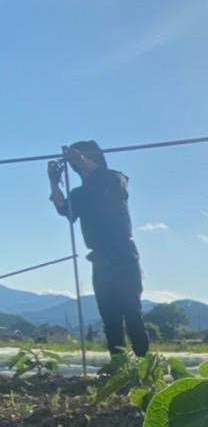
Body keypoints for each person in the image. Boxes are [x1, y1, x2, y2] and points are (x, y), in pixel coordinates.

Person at [48, 140, 149, 357]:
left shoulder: (115, 179)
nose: (80, 166)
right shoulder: (80, 194)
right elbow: (64, 209)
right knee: (110, 317)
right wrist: (53, 182)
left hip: (124, 255)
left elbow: (104, 178)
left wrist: (81, 159)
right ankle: (118, 365)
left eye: (85, 159)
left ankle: (144, 363)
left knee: (132, 311)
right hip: (100, 260)